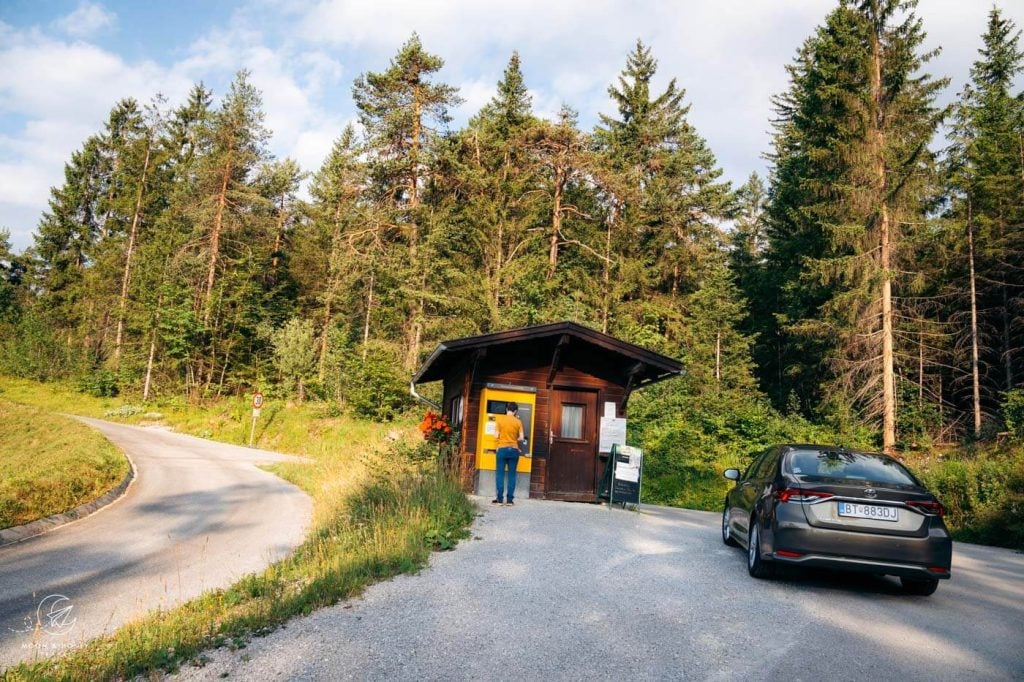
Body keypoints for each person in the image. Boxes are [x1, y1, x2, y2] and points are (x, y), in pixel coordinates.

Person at [493, 402, 526, 506]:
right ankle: (509, 500)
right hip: (514, 450)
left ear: (507, 409)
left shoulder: (500, 420)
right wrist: (514, 440)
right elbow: (521, 437)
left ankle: (499, 500)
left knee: (500, 474)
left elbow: (495, 435)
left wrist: (502, 439)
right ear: (515, 411)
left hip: (502, 449)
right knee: (512, 475)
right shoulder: (518, 421)